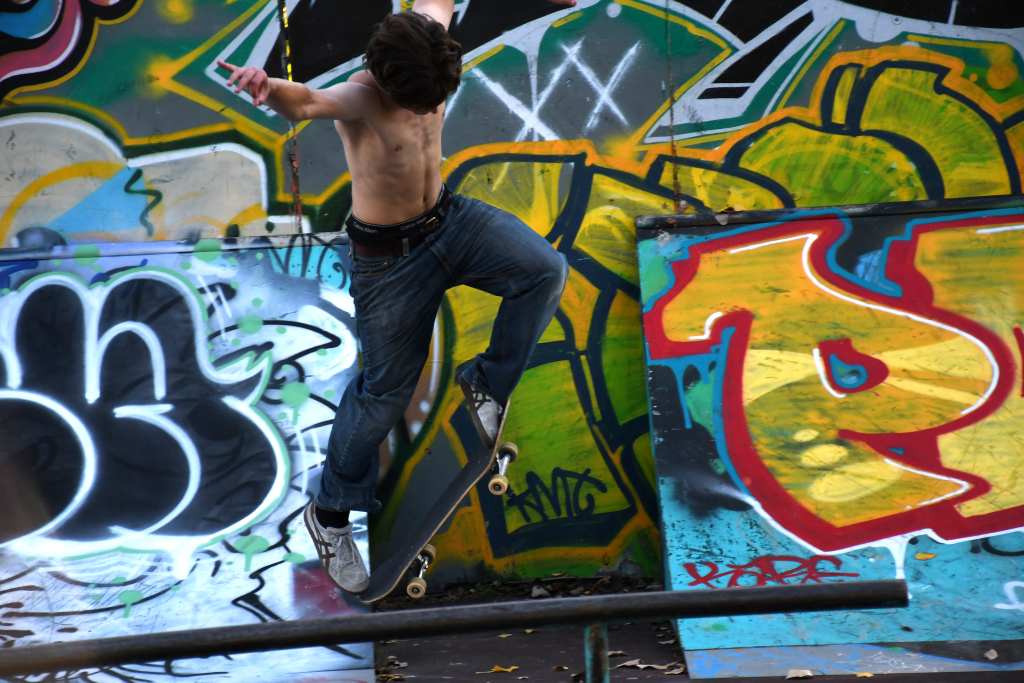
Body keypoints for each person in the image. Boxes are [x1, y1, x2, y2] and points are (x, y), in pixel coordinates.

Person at [218, 0, 574, 593]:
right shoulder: (361, 97)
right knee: (383, 396)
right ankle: (330, 514)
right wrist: (264, 85)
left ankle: (487, 380)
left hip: (450, 223)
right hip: (389, 262)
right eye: (417, 102)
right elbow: (304, 100)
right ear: (385, 80)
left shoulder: (427, 45)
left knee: (543, 271)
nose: (429, 109)